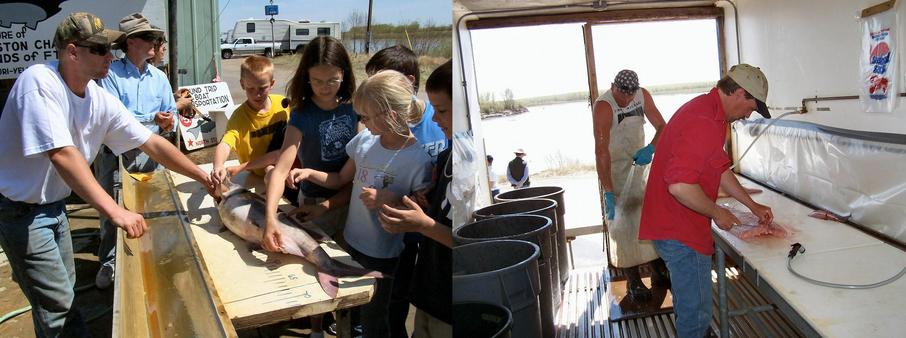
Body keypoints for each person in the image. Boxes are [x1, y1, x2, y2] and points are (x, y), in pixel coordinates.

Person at [0, 12, 214, 337]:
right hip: (22, 214)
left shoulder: (98, 97)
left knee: (63, 297)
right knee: (60, 311)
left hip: (54, 209)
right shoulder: (39, 82)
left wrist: (201, 175)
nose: (110, 56)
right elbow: (62, 154)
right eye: (100, 49)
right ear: (72, 52)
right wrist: (115, 211)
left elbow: (151, 143)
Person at [282, 70, 433, 337]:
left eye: (366, 117)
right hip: (350, 241)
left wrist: (392, 200)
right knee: (347, 309)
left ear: (391, 116)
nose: (362, 122)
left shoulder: (418, 160)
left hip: (382, 254)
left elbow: (421, 215)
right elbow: (340, 178)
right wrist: (308, 172)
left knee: (374, 319)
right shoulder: (365, 140)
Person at [639, 64, 775, 338]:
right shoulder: (703, 121)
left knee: (692, 304)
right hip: (680, 231)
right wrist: (717, 212)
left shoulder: (710, 114)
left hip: (677, 224)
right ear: (738, 92)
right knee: (696, 311)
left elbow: (720, 170)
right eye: (751, 106)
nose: (749, 114)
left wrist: (752, 205)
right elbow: (679, 186)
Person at [263, 35, 359, 338]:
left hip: (352, 200)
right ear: (306, 77)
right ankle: (317, 329)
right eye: (317, 81)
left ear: (344, 73)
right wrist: (269, 219)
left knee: (351, 272)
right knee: (316, 270)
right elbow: (280, 171)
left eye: (332, 80)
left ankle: (345, 324)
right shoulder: (302, 114)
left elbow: (357, 171)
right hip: (312, 203)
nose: (325, 87)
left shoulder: (356, 107)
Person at [364, 44, 447, 338]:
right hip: (390, 234)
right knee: (388, 301)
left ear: (409, 81)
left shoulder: (439, 121)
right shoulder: (377, 125)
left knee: (409, 298)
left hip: (429, 236)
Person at [94, 12, 177, 289]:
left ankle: (150, 254)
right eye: (149, 37)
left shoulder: (159, 77)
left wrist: (167, 122)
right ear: (130, 42)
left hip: (152, 155)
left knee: (156, 207)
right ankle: (109, 263)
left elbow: (171, 116)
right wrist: (154, 119)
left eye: (156, 37)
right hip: (118, 156)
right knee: (113, 212)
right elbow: (116, 121)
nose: (155, 42)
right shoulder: (111, 74)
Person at [592, 69, 670, 300]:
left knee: (649, 219)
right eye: (621, 94)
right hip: (614, 170)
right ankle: (633, 281)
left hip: (640, 167)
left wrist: (652, 148)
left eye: (629, 95)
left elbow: (663, 127)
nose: (626, 99)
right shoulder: (604, 106)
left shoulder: (642, 96)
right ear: (613, 86)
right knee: (623, 225)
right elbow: (601, 151)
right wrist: (608, 191)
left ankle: (658, 271)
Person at [210, 55, 290, 185]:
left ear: (272, 84)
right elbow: (226, 143)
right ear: (242, 84)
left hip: (287, 170)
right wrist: (218, 165)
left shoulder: (283, 104)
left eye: (262, 88)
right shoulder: (239, 117)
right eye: (250, 88)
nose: (257, 94)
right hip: (256, 177)